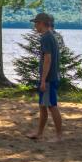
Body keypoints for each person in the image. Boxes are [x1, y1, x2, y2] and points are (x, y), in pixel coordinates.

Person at [28, 12, 63, 140]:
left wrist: (43, 80)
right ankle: (39, 133)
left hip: (49, 78)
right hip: (51, 77)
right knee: (43, 106)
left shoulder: (46, 38)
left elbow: (47, 59)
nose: (35, 26)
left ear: (42, 23)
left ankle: (59, 135)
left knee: (52, 106)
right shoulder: (51, 36)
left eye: (36, 23)